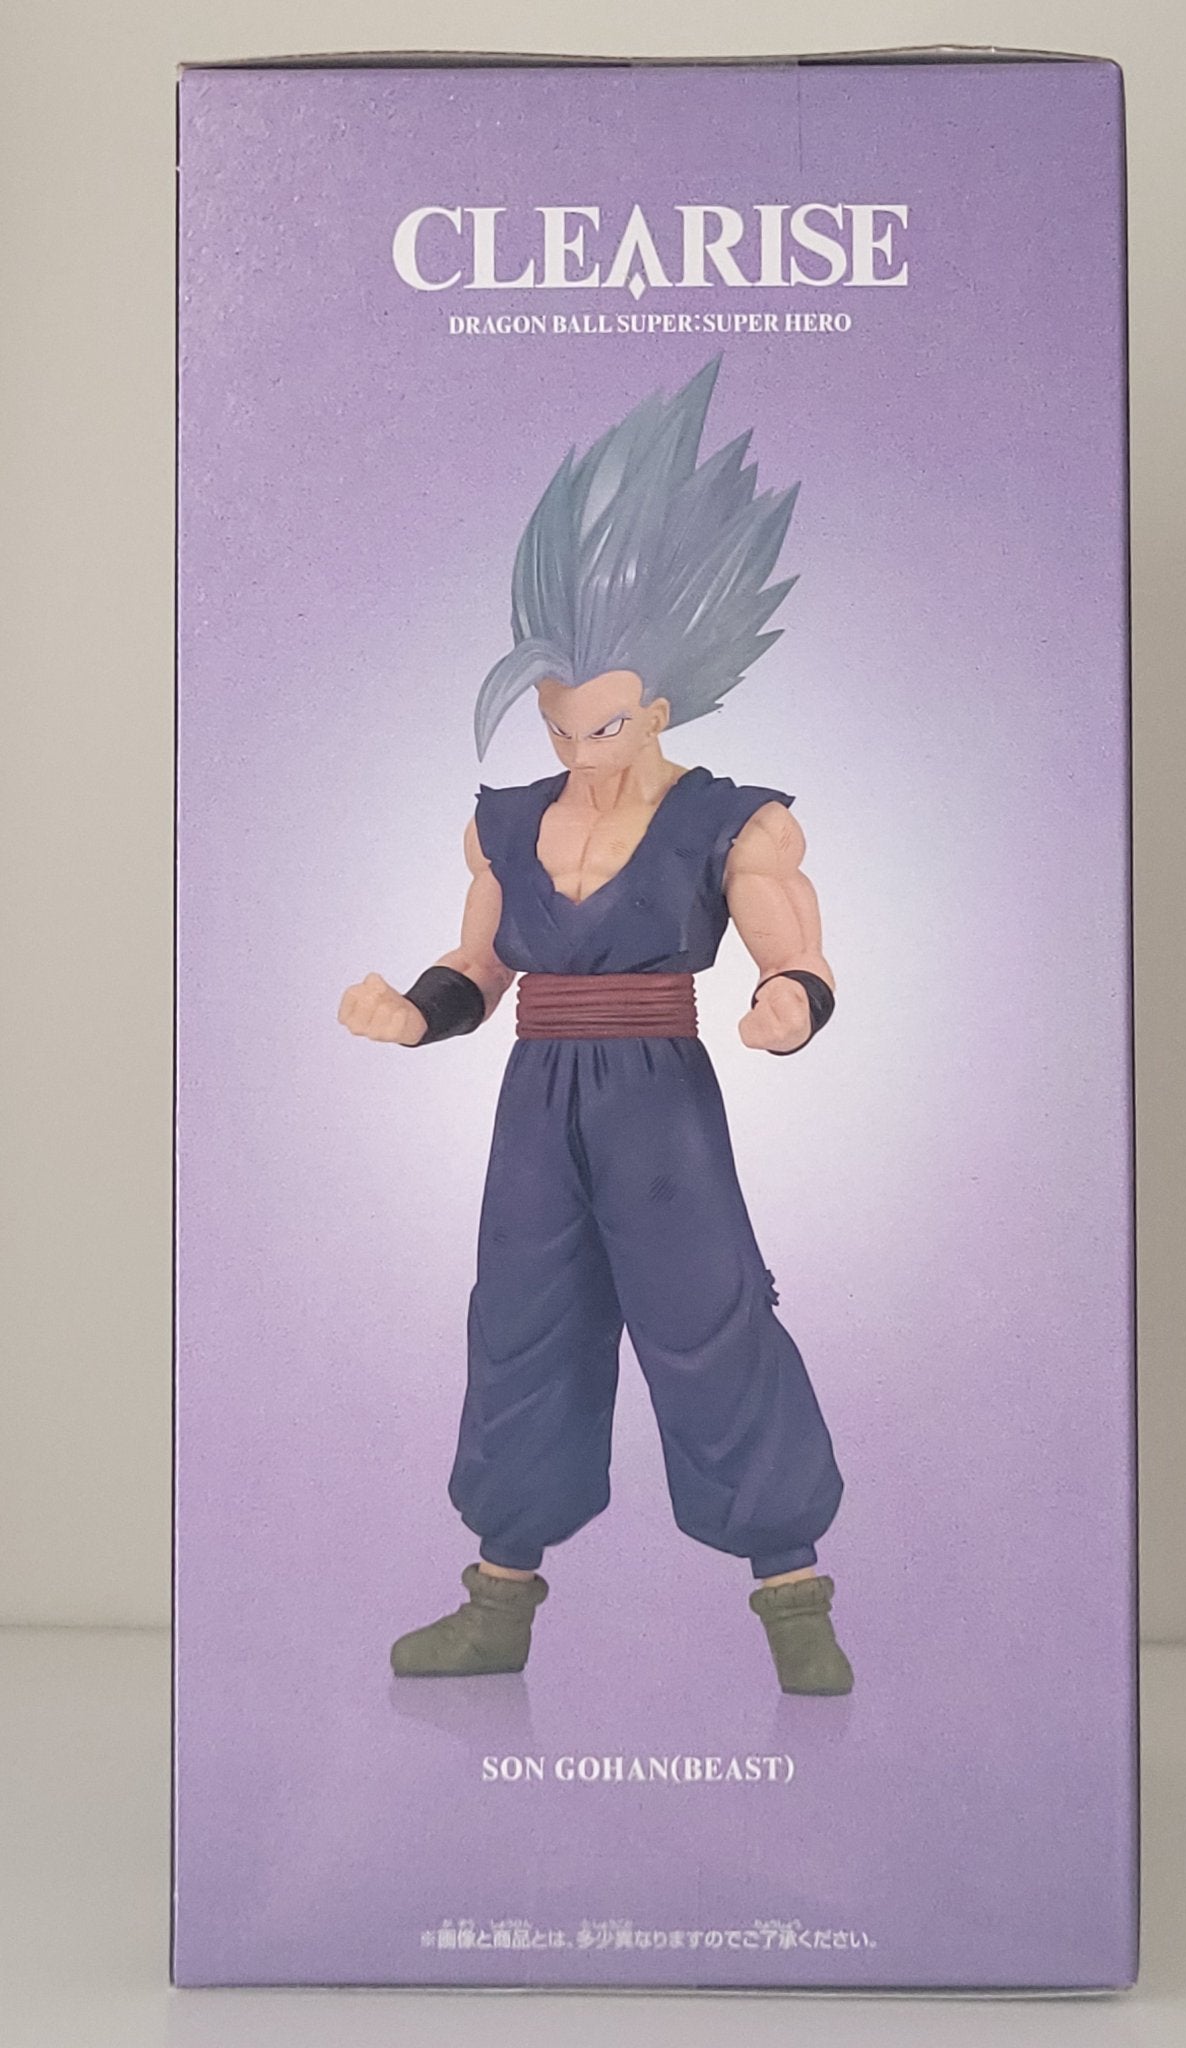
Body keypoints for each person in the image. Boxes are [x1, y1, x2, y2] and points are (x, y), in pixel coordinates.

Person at [338, 358, 851, 1694]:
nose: (578, 747)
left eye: (604, 724)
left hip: (660, 1101)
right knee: (523, 1326)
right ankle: (497, 1608)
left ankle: (794, 1598)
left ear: (659, 709)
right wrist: (413, 1013)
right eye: (559, 723)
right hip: (538, 1100)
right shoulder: (510, 821)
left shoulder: (732, 819)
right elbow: (480, 961)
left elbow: (797, 949)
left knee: (710, 1318)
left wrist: (788, 1004)